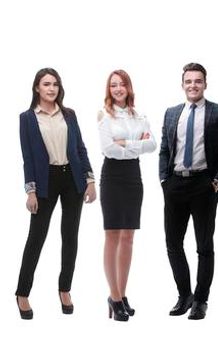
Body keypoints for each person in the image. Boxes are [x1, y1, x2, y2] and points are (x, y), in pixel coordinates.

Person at [17, 68, 98, 320]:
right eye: (46, 84)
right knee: (36, 238)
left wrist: (90, 180)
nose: (51, 88)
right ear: (37, 88)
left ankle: (65, 289)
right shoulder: (27, 118)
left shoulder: (69, 114)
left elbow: (81, 148)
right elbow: (28, 157)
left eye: (55, 84)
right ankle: (22, 293)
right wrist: (31, 191)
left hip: (72, 179)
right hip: (45, 181)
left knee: (70, 236)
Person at [159, 62, 218, 320]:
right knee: (173, 244)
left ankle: (201, 300)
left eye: (198, 81)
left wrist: (216, 182)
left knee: (204, 245)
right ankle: (185, 295)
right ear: (183, 84)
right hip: (175, 185)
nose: (193, 85)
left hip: (205, 185)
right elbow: (164, 150)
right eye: (189, 81)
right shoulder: (171, 113)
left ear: (205, 83)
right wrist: (164, 180)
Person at [97, 69, 157, 321]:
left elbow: (152, 144)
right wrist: (135, 145)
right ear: (108, 90)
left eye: (122, 84)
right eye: (113, 85)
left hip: (133, 176)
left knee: (129, 237)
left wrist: (126, 144)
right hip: (112, 176)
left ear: (129, 87)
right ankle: (114, 296)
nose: (118, 89)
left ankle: (122, 293)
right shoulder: (105, 115)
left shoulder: (139, 115)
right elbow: (109, 149)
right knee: (112, 236)